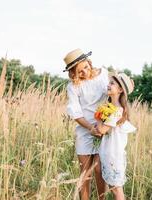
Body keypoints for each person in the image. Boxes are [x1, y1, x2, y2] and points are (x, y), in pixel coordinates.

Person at [64, 48, 109, 200]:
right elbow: (75, 112)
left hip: (103, 128)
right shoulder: (73, 86)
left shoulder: (103, 74)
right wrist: (90, 128)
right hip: (85, 130)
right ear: (73, 73)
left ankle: (101, 198)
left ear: (88, 62)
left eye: (85, 67)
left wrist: (103, 126)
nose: (84, 72)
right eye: (79, 72)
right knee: (85, 173)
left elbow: (113, 95)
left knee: (99, 170)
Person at [95, 73, 137, 200]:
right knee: (112, 186)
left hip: (113, 154)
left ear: (120, 90)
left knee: (116, 189)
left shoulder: (117, 111)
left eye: (112, 83)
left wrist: (98, 117)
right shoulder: (110, 107)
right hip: (107, 151)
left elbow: (101, 130)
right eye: (109, 83)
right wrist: (101, 113)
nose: (108, 85)